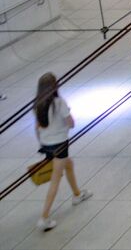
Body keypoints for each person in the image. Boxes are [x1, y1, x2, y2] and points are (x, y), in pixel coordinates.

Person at [33, 73, 91, 231]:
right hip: (59, 144)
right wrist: (67, 123)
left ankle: (77, 194)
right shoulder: (59, 103)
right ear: (55, 86)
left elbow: (36, 127)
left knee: (69, 165)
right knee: (56, 179)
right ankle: (44, 217)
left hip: (46, 144)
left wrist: (41, 143)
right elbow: (71, 123)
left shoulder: (37, 104)